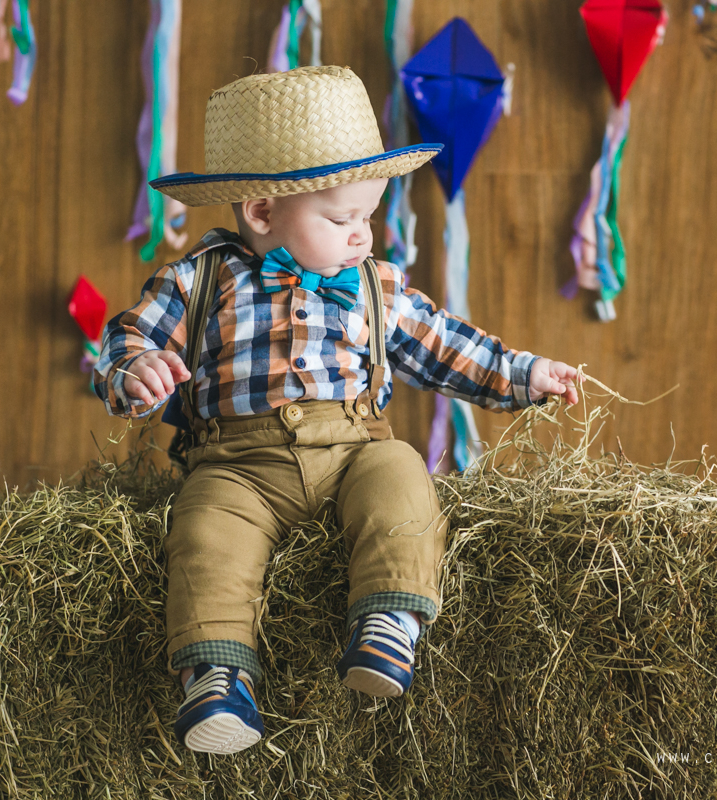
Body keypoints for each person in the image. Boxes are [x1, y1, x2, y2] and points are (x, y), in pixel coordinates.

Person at [93, 65, 578, 756]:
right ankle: (217, 673)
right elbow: (127, 337)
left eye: (369, 218)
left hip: (353, 450)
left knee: (402, 475)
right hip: (237, 466)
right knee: (204, 535)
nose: (363, 237)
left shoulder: (376, 288)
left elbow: (448, 347)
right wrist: (136, 369)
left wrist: (528, 375)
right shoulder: (199, 278)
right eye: (342, 218)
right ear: (262, 214)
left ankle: (387, 619)